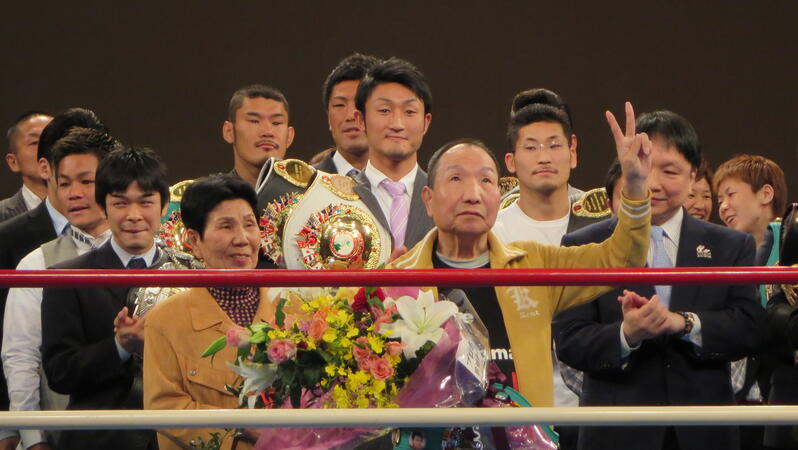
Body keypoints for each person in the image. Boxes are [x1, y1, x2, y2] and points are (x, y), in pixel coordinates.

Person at [390, 100, 653, 409]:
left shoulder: (535, 264)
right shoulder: (397, 277)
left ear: (498, 195)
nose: (473, 194)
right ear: (428, 199)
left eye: (486, 180)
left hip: (524, 438)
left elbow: (622, 259)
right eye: (456, 179)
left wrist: (634, 184)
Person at [553, 110, 765, 450]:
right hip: (616, 434)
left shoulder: (729, 245)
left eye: (670, 171)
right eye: (646, 167)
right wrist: (627, 334)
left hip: (705, 432)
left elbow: (749, 329)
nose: (654, 184)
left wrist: (684, 323)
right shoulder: (582, 244)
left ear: (694, 175)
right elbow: (569, 340)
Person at [41, 146, 169, 450]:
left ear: (164, 206)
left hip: (175, 435)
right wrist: (119, 346)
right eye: (121, 203)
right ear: (103, 206)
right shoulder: (66, 277)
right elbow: (60, 373)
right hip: (97, 438)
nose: (134, 215)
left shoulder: (191, 274)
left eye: (146, 202)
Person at [1, 127, 117, 450]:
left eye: (86, 181)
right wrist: (32, 438)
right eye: (64, 183)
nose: (73, 193)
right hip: (63, 437)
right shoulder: (35, 264)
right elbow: (20, 358)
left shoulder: (154, 257)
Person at [144, 174, 273, 450]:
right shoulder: (164, 320)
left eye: (250, 224)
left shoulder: (293, 308)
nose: (242, 239)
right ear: (194, 240)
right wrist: (240, 432)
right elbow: (164, 408)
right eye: (226, 226)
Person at [352, 57, 435, 251]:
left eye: (409, 112)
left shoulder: (444, 197)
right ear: (360, 120)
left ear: (426, 122)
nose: (397, 124)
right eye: (384, 110)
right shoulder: (338, 197)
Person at [314, 53, 381, 176]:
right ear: (328, 117)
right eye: (339, 105)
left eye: (360, 103)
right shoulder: (302, 188)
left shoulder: (421, 189)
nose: (351, 115)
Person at [223, 84, 295, 187]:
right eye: (254, 121)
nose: (267, 132)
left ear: (289, 136)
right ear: (229, 131)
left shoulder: (311, 199)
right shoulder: (209, 200)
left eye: (276, 123)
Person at [1, 111, 52, 223]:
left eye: (55, 139)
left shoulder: (93, 210)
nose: (48, 147)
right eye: (35, 142)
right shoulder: (2, 216)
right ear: (13, 162)